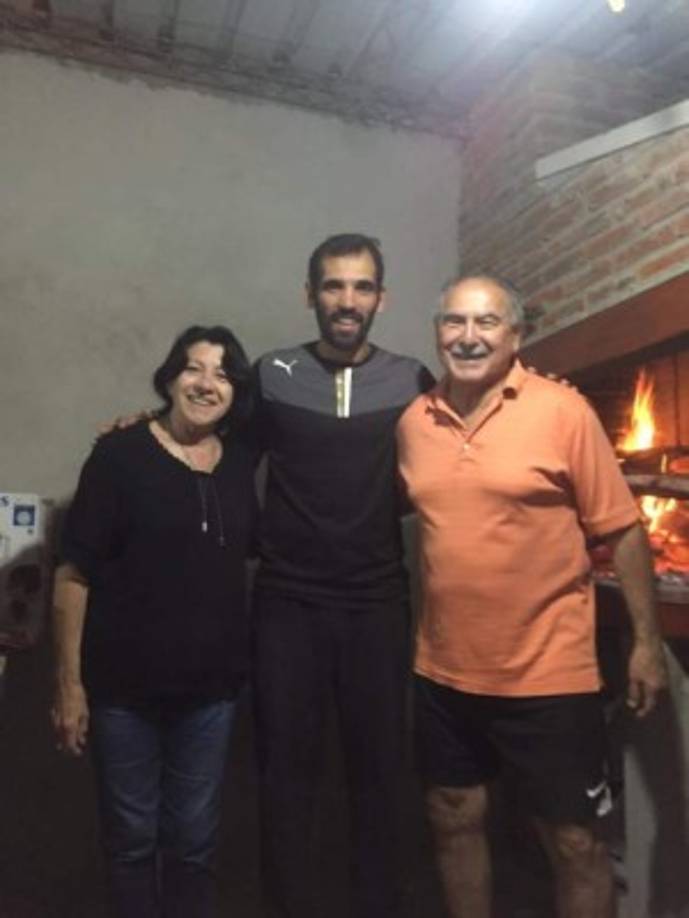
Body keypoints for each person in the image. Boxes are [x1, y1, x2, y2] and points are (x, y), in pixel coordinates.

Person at [396, 275, 668, 918]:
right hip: (443, 672)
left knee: (574, 842)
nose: (468, 337)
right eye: (454, 323)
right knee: (453, 816)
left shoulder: (561, 411)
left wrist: (647, 646)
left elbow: (624, 531)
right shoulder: (414, 422)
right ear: (437, 332)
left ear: (516, 336)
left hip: (549, 675)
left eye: (486, 323)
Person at [252, 233, 435, 918]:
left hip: (376, 602)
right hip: (286, 604)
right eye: (333, 286)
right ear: (310, 295)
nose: (346, 300)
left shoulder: (412, 379)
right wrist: (145, 428)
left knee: (380, 774)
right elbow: (213, 444)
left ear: (380, 299)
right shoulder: (270, 373)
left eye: (361, 287)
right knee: (284, 774)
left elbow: (469, 440)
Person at [51, 325, 258, 918]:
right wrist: (69, 685)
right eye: (194, 368)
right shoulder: (119, 455)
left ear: (235, 393)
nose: (206, 383)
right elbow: (73, 574)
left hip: (210, 697)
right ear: (170, 377)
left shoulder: (241, 466)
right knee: (132, 844)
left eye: (223, 374)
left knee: (194, 846)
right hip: (123, 694)